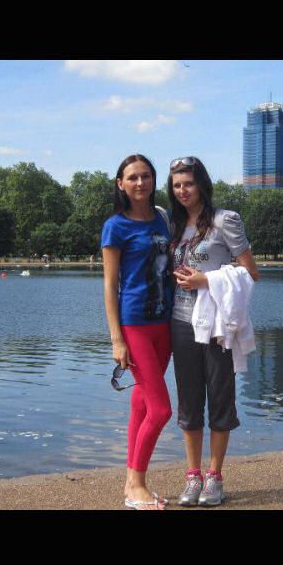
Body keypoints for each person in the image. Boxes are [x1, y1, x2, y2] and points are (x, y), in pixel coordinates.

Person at [168, 156, 260, 506]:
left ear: (202, 185)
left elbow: (251, 273)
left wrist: (206, 280)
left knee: (220, 399)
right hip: (181, 323)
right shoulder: (174, 225)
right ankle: (193, 476)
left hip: (217, 326)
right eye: (177, 185)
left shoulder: (225, 220)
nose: (183, 191)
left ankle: (215, 477)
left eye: (188, 184)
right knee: (189, 403)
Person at [101, 154, 174, 510]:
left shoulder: (163, 219)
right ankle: (136, 484)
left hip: (165, 323)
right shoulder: (115, 226)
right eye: (132, 177)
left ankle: (131, 483)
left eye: (146, 176)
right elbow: (110, 284)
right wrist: (117, 339)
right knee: (161, 410)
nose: (140, 183)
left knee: (142, 402)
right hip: (135, 325)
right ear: (121, 183)